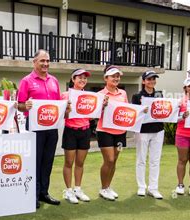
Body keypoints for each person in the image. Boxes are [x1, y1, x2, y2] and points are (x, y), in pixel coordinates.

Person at [17, 49, 61, 209]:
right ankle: (33, 195)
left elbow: (57, 105)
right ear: (34, 62)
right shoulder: (26, 81)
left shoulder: (54, 80)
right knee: (35, 161)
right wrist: (25, 105)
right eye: (42, 61)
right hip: (35, 127)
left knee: (48, 161)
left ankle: (44, 192)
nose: (46, 64)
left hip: (52, 127)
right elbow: (20, 106)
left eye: (48, 61)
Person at [61, 68, 92, 204]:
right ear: (73, 79)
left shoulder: (91, 97)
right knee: (69, 162)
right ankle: (68, 191)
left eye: (85, 78)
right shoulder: (64, 95)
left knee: (80, 163)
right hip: (70, 131)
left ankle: (78, 189)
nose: (82, 80)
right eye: (79, 77)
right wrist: (67, 111)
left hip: (85, 131)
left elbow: (91, 117)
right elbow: (62, 115)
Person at [131, 70, 164, 199]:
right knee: (141, 159)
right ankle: (141, 186)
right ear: (144, 81)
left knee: (155, 160)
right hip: (142, 131)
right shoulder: (137, 96)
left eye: (153, 79)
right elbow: (133, 113)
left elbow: (164, 110)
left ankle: (153, 188)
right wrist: (141, 110)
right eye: (149, 79)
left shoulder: (160, 95)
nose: (152, 81)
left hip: (158, 130)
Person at [97, 65, 128, 201]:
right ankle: (103, 188)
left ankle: (108, 187)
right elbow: (94, 114)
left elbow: (126, 109)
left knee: (114, 160)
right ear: (106, 78)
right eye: (113, 76)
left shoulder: (123, 93)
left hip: (120, 132)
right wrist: (102, 106)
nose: (116, 78)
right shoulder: (100, 95)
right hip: (104, 131)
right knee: (108, 159)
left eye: (118, 76)